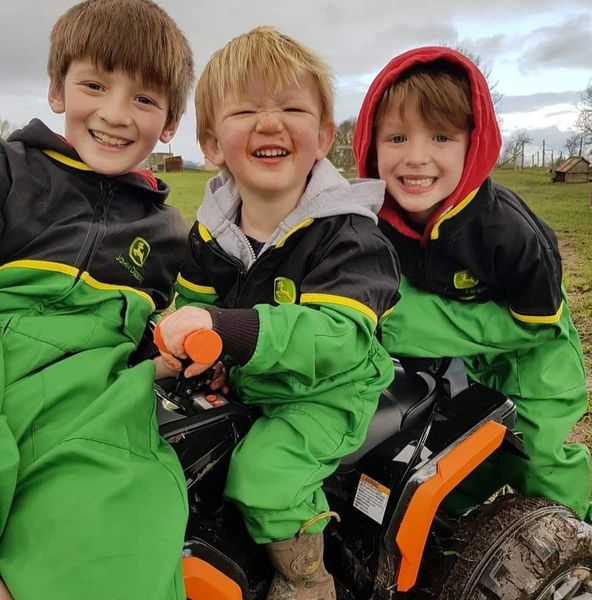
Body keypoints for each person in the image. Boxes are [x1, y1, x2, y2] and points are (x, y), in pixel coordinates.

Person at [156, 26, 400, 600]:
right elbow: (195, 304)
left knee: (264, 476)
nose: (269, 123)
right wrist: (197, 354)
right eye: (245, 111)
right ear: (212, 143)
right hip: (254, 378)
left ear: (322, 137)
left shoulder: (349, 234)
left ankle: (307, 578)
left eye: (291, 108)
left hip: (328, 390)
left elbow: (336, 336)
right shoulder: (213, 230)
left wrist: (226, 330)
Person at [352, 46, 592, 524]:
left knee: (537, 458)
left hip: (536, 356)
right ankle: (451, 539)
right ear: (370, 145)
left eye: (441, 137)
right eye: (397, 137)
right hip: (466, 364)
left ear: (474, 144)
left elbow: (538, 323)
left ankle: (576, 543)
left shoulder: (509, 231)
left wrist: (410, 322)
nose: (416, 157)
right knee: (448, 463)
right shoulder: (374, 223)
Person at [0, 1, 195, 598]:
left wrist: (170, 352)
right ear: (57, 90)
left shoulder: (169, 233)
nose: (114, 113)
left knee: (123, 529)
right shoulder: (10, 172)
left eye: (144, 98)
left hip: (89, 406)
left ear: (169, 122)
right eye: (94, 85)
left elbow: (155, 327)